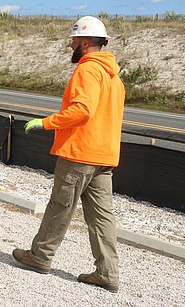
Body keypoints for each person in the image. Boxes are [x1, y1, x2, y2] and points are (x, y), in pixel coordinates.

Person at [12, 16, 125, 293]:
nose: (70, 45)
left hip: (80, 153)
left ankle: (40, 256)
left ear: (85, 42)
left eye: (73, 40)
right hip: (104, 156)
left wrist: (47, 122)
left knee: (60, 207)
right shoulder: (113, 76)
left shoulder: (88, 71)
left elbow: (82, 110)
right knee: (102, 217)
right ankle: (107, 272)